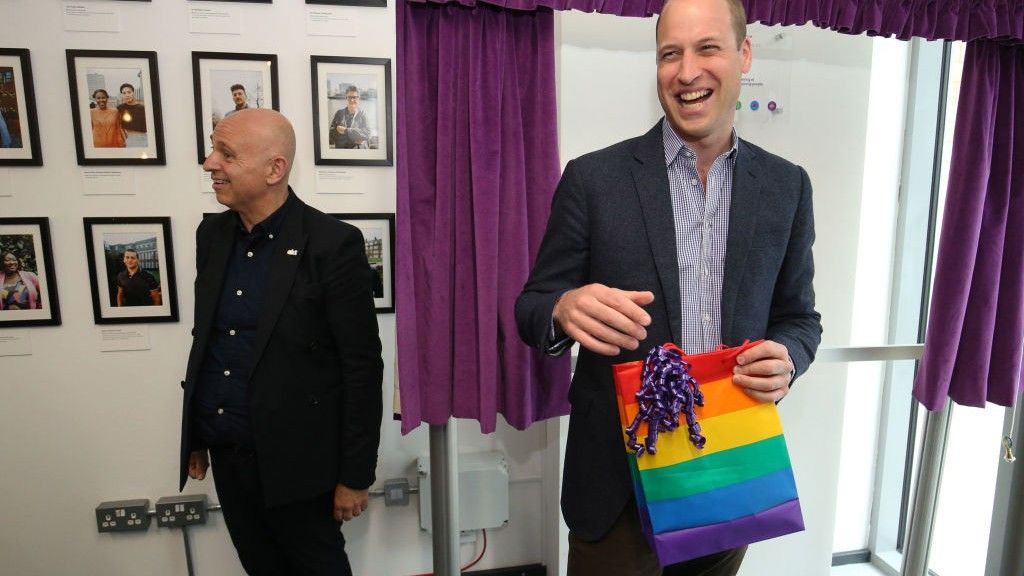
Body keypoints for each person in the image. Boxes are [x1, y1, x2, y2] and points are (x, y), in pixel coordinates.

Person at [515, 0, 822, 574]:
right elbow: (530, 308)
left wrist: (790, 359)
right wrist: (563, 308)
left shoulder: (786, 187)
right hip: (617, 489)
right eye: (669, 54)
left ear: (744, 54)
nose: (686, 72)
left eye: (707, 48)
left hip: (727, 474)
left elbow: (800, 317)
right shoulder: (592, 180)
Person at [179, 108, 383, 576]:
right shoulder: (212, 236)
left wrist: (355, 477)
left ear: (275, 169)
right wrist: (197, 432)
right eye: (214, 149)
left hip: (301, 466)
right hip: (231, 456)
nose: (210, 163)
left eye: (226, 154)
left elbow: (362, 367)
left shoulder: (333, 245)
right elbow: (208, 343)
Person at [117, 83, 147, 147]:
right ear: (121, 95)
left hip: (144, 138)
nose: (127, 95)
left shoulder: (142, 108)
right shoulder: (120, 108)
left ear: (133, 93)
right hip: (129, 139)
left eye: (129, 92)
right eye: (124, 93)